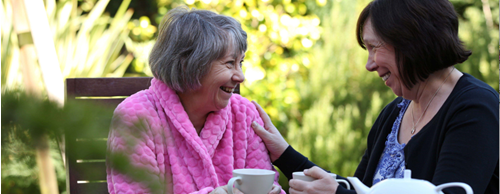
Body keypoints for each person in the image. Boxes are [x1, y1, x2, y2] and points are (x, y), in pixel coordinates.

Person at [250, 0, 499, 193]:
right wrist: (282, 152)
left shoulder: (475, 108)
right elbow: (358, 188)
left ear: (412, 41)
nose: (369, 65)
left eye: (374, 47)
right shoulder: (395, 113)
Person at [106, 7, 284, 194]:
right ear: (190, 65)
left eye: (241, 63)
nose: (240, 77)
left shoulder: (244, 114)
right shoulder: (135, 116)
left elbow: (268, 184)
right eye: (230, 63)